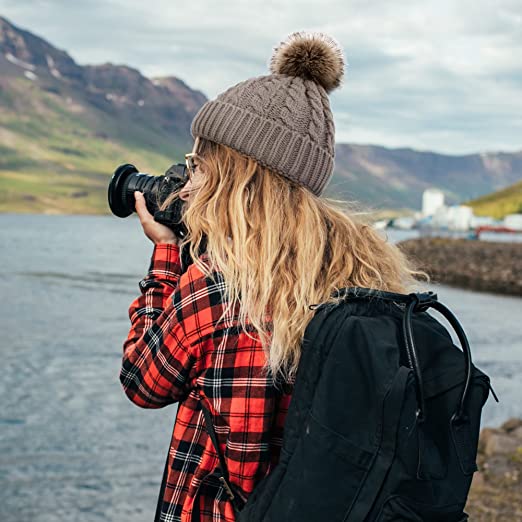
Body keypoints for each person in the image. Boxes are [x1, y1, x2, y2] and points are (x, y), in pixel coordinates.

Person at [120, 31, 428, 522]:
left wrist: (165, 254)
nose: (187, 182)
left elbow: (143, 382)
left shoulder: (221, 286)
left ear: (235, 177)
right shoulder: (366, 274)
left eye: (198, 164)